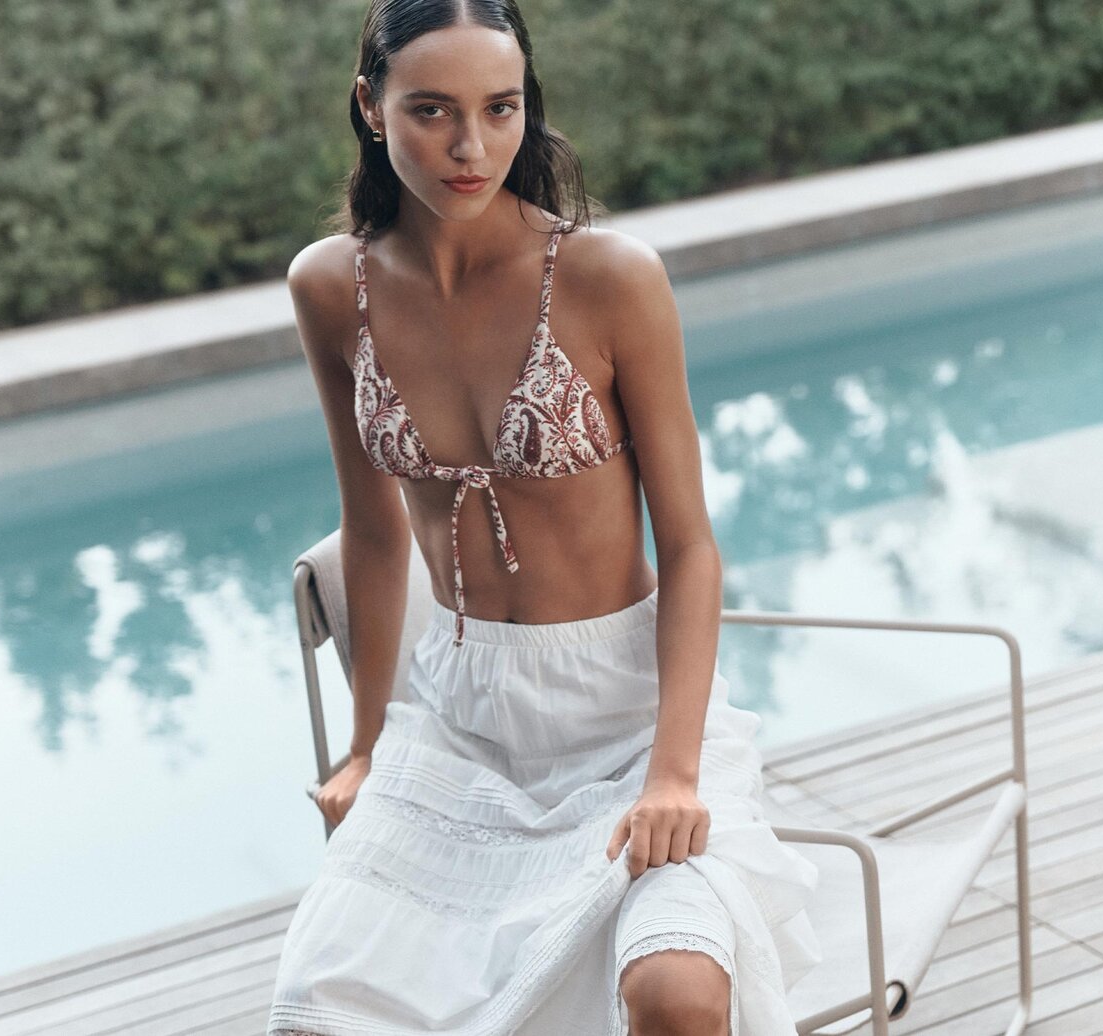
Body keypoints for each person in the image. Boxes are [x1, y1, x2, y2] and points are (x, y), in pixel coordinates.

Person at [266, 3, 824, 1034]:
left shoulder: (610, 278)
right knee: (318, 1011)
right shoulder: (327, 286)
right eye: (430, 110)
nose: (470, 147)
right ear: (369, 106)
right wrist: (363, 747)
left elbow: (691, 545)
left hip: (625, 713)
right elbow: (377, 532)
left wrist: (671, 770)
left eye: (500, 107)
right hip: (461, 719)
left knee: (675, 989)